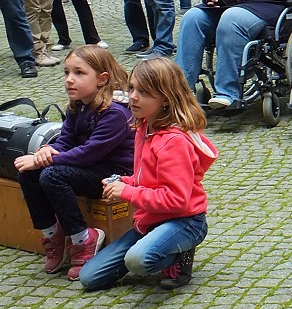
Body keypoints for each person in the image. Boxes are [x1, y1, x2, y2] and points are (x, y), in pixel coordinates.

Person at [80, 57, 218, 291]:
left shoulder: (173, 142)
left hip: (184, 221)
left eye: (143, 92)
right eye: (131, 88)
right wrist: (123, 182)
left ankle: (180, 255)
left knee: (138, 261)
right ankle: (157, 247)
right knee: (89, 277)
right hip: (151, 220)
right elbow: (146, 180)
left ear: (165, 98)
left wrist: (129, 192)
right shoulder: (144, 127)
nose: (133, 96)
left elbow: (176, 200)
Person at [14, 46, 134, 280]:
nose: (70, 79)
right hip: (88, 168)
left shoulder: (115, 113)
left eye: (79, 73)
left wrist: (46, 162)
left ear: (102, 79)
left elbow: (89, 153)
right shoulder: (77, 105)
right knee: (27, 174)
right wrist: (47, 151)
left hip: (115, 173)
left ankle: (83, 238)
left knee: (51, 175)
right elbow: (66, 141)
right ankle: (53, 234)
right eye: (67, 72)